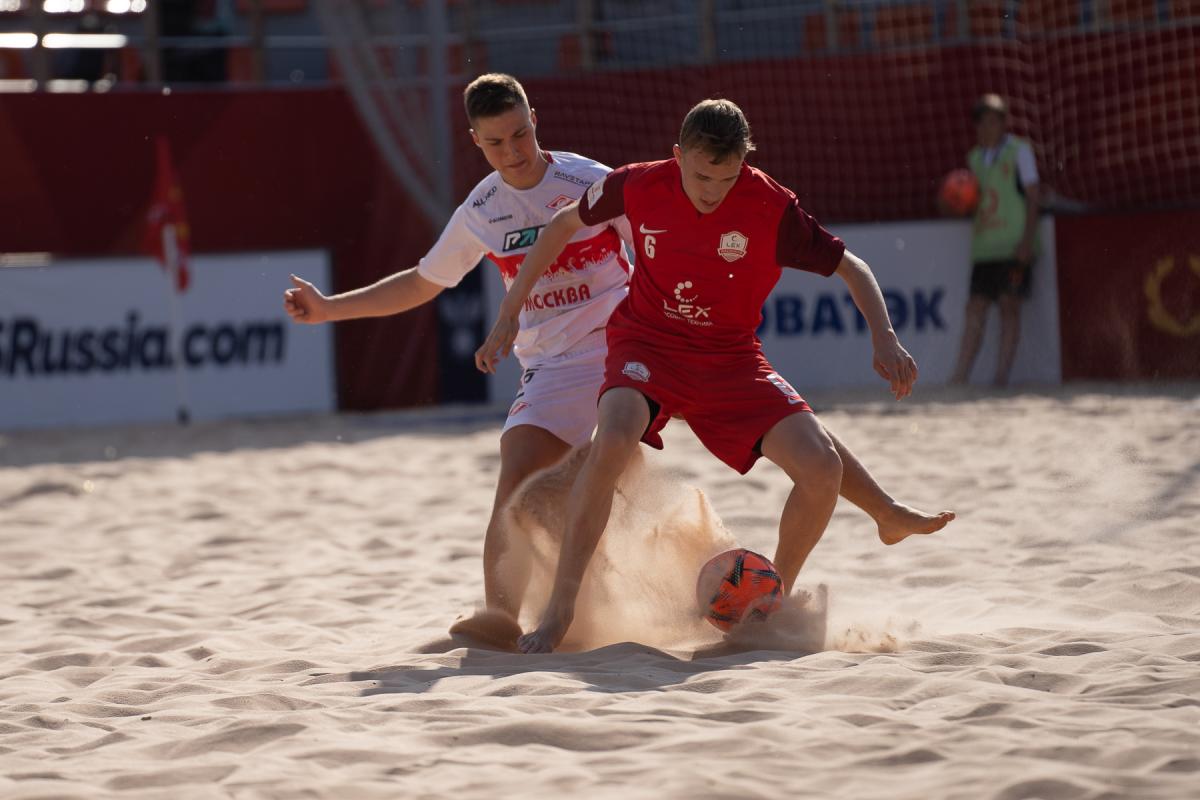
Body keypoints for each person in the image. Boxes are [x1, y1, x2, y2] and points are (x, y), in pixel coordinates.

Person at [288, 78, 949, 637]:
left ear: (535, 120)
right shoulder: (483, 210)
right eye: (496, 142)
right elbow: (421, 282)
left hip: (634, 341)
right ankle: (503, 619)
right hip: (570, 362)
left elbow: (677, 241)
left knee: (795, 444)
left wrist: (870, 333)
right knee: (518, 473)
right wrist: (330, 309)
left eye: (520, 134)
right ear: (476, 143)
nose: (513, 152)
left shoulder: (593, 179)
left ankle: (873, 516)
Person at [476, 99, 948, 654]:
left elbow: (852, 266)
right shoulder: (638, 184)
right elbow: (563, 223)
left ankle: (768, 604)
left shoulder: (770, 204)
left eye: (727, 178)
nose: (712, 191)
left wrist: (885, 337)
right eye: (701, 176)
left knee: (821, 467)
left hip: (730, 360)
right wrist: (509, 311)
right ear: (677, 156)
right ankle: (561, 610)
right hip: (647, 345)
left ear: (745, 161)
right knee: (615, 436)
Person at [948, 93, 1041, 387]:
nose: (988, 127)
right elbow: (969, 203)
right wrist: (953, 202)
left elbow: (1034, 197)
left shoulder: (1019, 152)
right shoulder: (974, 159)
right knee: (975, 308)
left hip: (1013, 247)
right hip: (985, 249)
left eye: (993, 121)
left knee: (1008, 305)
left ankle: (1001, 377)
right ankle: (960, 376)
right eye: (983, 122)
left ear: (1003, 123)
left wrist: (1027, 242)